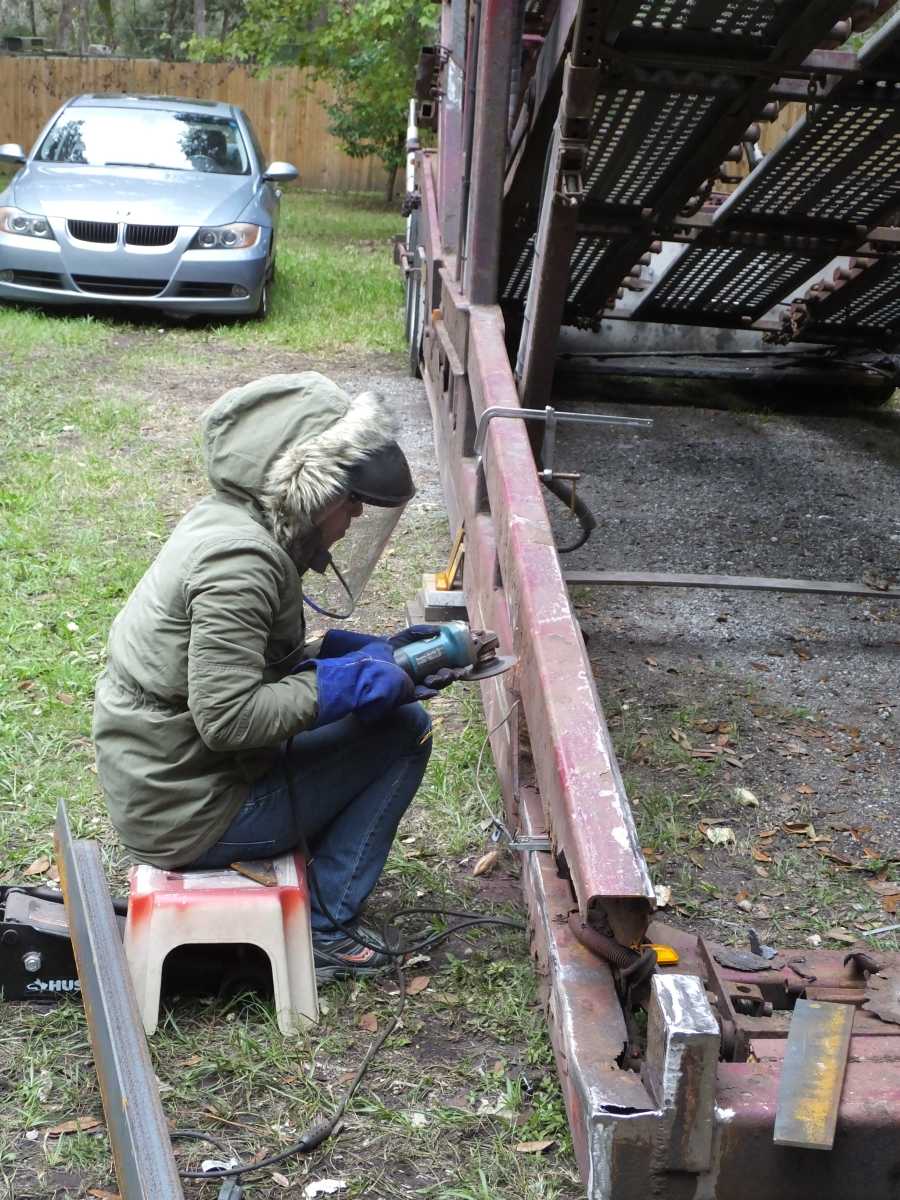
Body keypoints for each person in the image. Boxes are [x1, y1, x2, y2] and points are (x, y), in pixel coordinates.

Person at [93, 372, 458, 979]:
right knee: (403, 732)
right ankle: (325, 928)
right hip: (187, 811)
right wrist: (352, 682)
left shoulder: (231, 523)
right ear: (311, 492)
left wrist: (371, 656)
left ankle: (310, 886)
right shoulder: (240, 564)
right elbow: (230, 718)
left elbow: (246, 667)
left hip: (171, 776)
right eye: (352, 499)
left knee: (384, 708)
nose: (357, 515)